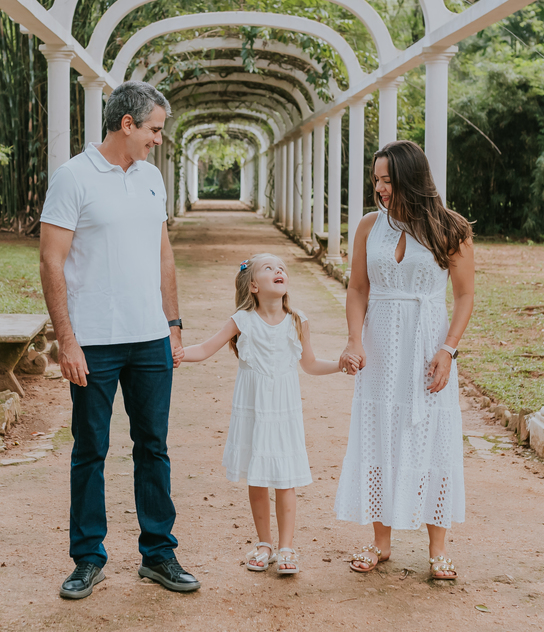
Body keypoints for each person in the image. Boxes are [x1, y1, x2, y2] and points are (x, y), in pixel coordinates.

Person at [39, 81, 199, 600]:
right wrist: (68, 341)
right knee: (91, 450)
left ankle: (159, 553)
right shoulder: (73, 178)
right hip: (96, 341)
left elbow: (164, 256)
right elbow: (51, 261)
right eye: (154, 129)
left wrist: (173, 324)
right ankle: (88, 557)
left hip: (150, 337)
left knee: (153, 446)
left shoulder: (152, 179)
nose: (158, 139)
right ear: (126, 124)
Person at [334, 140, 475, 580]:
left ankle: (438, 549)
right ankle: (381, 542)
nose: (379, 188)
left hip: (427, 344)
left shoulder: (450, 228)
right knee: (379, 435)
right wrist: (354, 341)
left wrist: (448, 349)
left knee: (434, 436)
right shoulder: (368, 226)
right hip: (379, 347)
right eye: (376, 180)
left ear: (410, 180)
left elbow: (466, 294)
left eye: (387, 180)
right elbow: (358, 289)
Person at [180, 253, 343, 575]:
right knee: (257, 478)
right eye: (268, 268)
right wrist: (174, 354)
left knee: (285, 478)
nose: (278, 270)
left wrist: (341, 364)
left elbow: (309, 364)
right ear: (253, 285)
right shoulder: (242, 320)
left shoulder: (298, 320)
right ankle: (264, 543)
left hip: (283, 411)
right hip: (253, 410)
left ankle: (286, 546)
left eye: (281, 267)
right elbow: (204, 349)